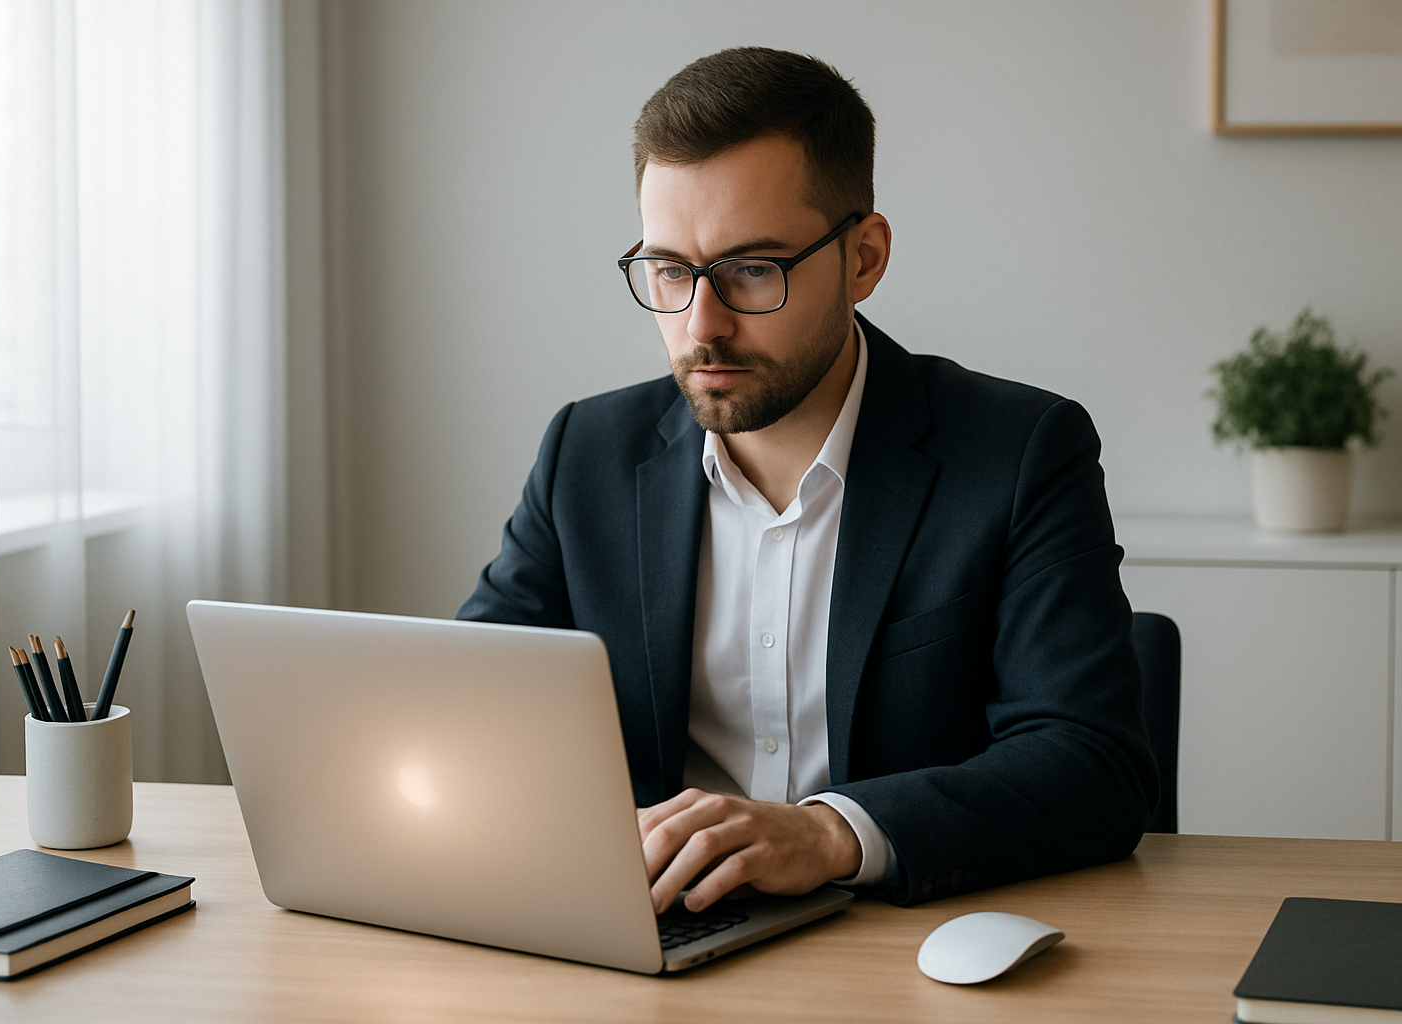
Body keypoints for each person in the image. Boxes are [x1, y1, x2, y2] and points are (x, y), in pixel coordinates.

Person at [458, 46, 1157, 914]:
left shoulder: (1019, 452)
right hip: (656, 932)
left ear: (863, 258)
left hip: (899, 947)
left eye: (753, 270)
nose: (700, 327)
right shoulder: (586, 452)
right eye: (671, 271)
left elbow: (1092, 763)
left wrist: (830, 833)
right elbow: (472, 707)